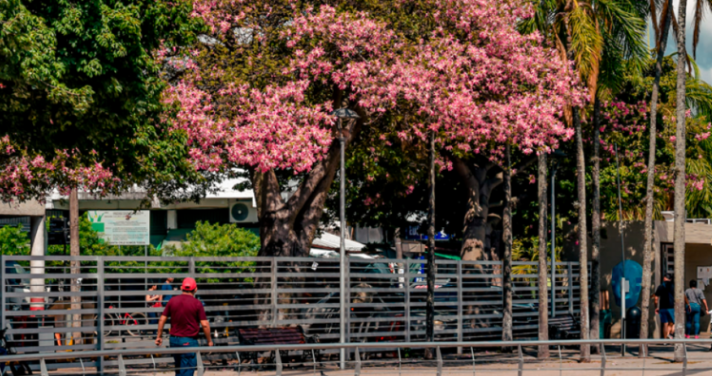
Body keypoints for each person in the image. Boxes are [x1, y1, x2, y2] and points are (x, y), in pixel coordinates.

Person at [155, 278, 213, 376]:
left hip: (173, 341)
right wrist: (209, 341)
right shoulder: (197, 303)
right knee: (186, 371)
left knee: (179, 370)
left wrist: (159, 336)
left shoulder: (172, 301)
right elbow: (205, 324)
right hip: (188, 341)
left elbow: (162, 319)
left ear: (181, 288)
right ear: (195, 289)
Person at [655, 274, 675, 340]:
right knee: (673, 322)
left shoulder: (660, 287)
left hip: (662, 307)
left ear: (664, 278)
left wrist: (656, 307)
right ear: (671, 279)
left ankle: (665, 340)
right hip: (671, 307)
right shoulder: (673, 286)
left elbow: (656, 298)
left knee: (665, 323)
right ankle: (670, 334)